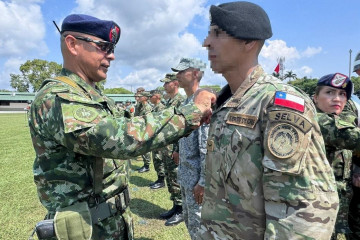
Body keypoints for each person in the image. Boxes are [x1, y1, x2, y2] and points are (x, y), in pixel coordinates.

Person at [28, 13, 214, 240]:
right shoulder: (58, 97)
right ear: (72, 44)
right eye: (103, 47)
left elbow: (127, 123)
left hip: (106, 221)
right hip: (86, 229)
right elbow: (122, 139)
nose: (111, 56)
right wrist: (191, 111)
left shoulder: (91, 94)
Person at [197, 2, 339, 239]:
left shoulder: (278, 103)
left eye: (217, 33)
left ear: (248, 42)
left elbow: (302, 214)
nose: (206, 42)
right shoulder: (227, 101)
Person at [313, 73, 360, 239]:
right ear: (315, 98)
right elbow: (352, 137)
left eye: (342, 94)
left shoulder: (343, 120)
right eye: (329, 92)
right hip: (316, 218)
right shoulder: (314, 120)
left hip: (342, 219)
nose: (337, 99)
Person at [171, 57, 209, 240]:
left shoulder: (202, 104)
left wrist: (203, 182)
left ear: (195, 74)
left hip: (197, 181)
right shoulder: (186, 103)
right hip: (186, 177)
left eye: (181, 71)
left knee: (200, 227)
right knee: (189, 222)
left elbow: (206, 148)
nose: (176, 75)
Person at [159, 73, 185, 226]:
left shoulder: (180, 101)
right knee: (170, 177)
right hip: (166, 148)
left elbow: (183, 129)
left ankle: (181, 210)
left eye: (166, 83)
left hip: (174, 148)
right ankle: (175, 207)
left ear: (175, 83)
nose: (164, 86)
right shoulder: (169, 102)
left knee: (175, 178)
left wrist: (178, 150)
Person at [148, 89, 167, 189]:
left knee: (159, 159)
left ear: (157, 96)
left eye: (151, 96)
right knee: (156, 159)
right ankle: (159, 179)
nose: (149, 98)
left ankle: (161, 180)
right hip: (155, 139)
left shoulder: (161, 108)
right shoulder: (155, 107)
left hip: (159, 139)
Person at [134, 90, 153, 173]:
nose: (139, 97)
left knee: (146, 149)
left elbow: (148, 119)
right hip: (141, 129)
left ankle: (147, 165)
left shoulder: (147, 107)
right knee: (142, 148)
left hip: (146, 130)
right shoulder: (141, 106)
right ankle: (145, 164)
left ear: (145, 98)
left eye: (140, 96)